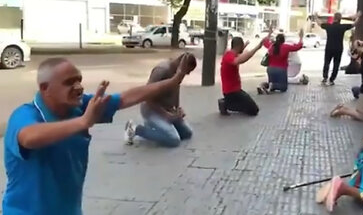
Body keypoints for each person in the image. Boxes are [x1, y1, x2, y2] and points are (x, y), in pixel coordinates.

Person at [3, 55, 193, 214]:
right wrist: (83, 122)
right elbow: (28, 137)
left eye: (79, 80)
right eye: (69, 82)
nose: (78, 87)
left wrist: (175, 80)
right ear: (45, 88)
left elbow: (126, 97)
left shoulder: (78, 106)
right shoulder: (25, 115)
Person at [124, 54, 197, 147]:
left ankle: (157, 127)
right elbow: (147, 97)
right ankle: (135, 129)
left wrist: (177, 109)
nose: (188, 74)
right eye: (188, 71)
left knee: (187, 133)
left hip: (168, 109)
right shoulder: (161, 70)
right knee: (173, 139)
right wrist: (165, 115)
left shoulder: (179, 73)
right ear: (181, 65)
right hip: (151, 110)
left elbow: (176, 89)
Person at [218, 36, 266, 116]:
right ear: (238, 46)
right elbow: (240, 60)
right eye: (241, 47)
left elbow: (240, 54)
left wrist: (245, 45)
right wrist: (257, 48)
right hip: (231, 92)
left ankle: (228, 102)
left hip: (235, 90)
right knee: (253, 110)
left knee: (250, 107)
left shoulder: (232, 54)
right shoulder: (229, 56)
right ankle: (226, 104)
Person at [320, 11, 361, 85]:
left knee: (326, 62)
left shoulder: (329, 26)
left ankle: (325, 77)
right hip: (338, 48)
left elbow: (319, 24)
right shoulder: (342, 27)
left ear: (334, 18)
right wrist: (358, 17)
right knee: (336, 64)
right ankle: (332, 80)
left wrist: (316, 16)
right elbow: (354, 24)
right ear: (340, 19)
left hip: (329, 48)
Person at [257, 29, 304, 94]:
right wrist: (301, 37)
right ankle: (272, 86)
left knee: (272, 82)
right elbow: (298, 46)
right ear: (283, 40)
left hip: (270, 69)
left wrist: (269, 33)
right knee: (283, 88)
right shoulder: (285, 47)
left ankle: (263, 85)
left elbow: (264, 41)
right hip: (281, 70)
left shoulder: (271, 46)